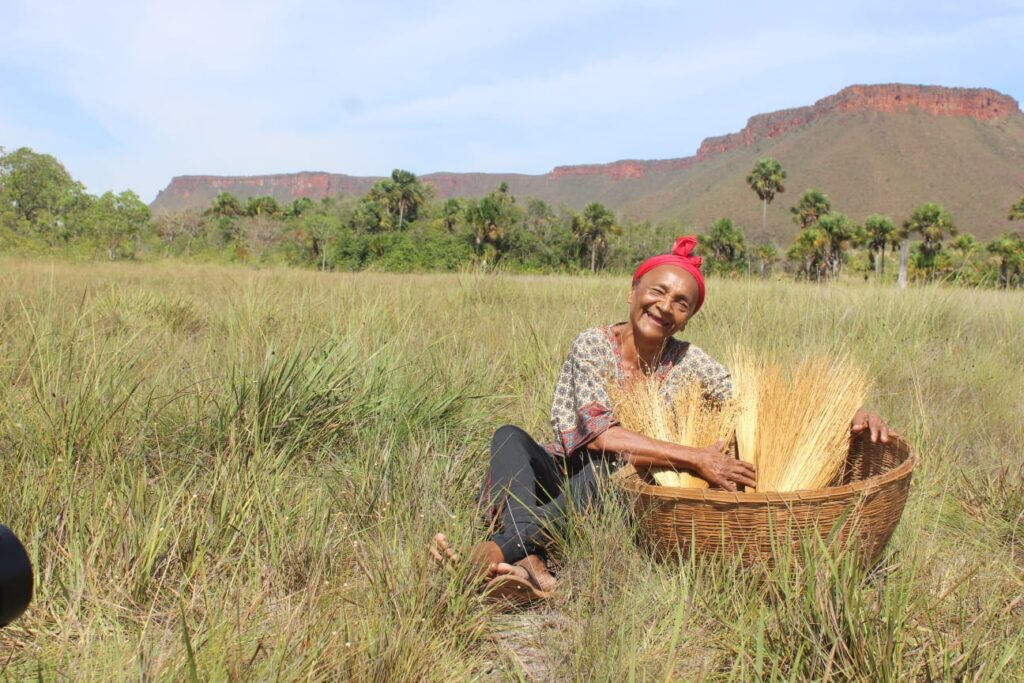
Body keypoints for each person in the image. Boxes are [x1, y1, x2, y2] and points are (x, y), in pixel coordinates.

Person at [433, 236, 891, 604]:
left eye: (681, 302)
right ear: (633, 293)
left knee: (613, 469)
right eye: (657, 291)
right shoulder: (592, 345)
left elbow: (758, 400)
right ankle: (527, 557)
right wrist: (695, 458)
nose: (665, 306)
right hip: (562, 475)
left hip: (616, 490)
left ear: (687, 319)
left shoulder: (691, 362)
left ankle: (500, 554)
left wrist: (842, 413)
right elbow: (599, 436)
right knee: (509, 437)